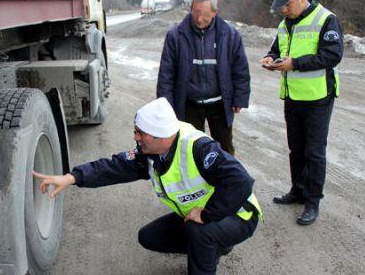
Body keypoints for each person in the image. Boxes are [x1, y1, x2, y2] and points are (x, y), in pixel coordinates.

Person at [33, 98, 262, 275]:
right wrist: (72, 177)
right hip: (200, 214)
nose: (135, 137)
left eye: (140, 132)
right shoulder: (149, 152)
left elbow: (241, 180)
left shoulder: (199, 148)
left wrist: (208, 214)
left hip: (238, 215)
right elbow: (114, 166)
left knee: (199, 231)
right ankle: (215, 245)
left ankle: (210, 248)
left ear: (161, 135)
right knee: (149, 237)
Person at [260, 0, 343, 225]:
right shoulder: (285, 23)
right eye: (281, 6)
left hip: (318, 97)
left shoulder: (326, 19)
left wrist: (294, 64)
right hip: (293, 96)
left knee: (314, 152)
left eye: (288, 4)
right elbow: (278, 48)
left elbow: (332, 56)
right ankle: (298, 190)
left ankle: (312, 201)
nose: (284, 10)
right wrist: (270, 57)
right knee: (295, 148)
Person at [157, 0, 250, 156]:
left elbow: (240, 69)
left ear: (214, 12)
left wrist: (240, 98)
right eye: (196, 12)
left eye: (205, 14)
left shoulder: (229, 34)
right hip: (189, 104)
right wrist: (165, 106)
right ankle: (196, 182)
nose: (199, 19)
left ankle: (226, 181)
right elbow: (166, 75)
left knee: (224, 151)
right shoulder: (176, 35)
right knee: (191, 150)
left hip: (220, 104)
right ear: (191, 9)